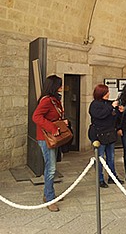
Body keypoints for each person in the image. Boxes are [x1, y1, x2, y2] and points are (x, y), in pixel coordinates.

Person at [32, 75, 66, 212]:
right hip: (46, 138)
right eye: (59, 85)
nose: (62, 87)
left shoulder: (54, 100)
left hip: (53, 138)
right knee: (51, 168)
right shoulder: (46, 101)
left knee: (51, 167)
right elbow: (36, 117)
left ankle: (48, 193)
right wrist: (53, 128)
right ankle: (50, 197)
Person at [88, 84, 124, 188]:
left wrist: (119, 111)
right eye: (106, 92)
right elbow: (100, 115)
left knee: (111, 157)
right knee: (99, 158)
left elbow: (114, 117)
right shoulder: (94, 105)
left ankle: (112, 177)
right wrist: (111, 107)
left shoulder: (109, 104)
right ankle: (100, 179)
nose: (108, 94)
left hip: (110, 134)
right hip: (99, 134)